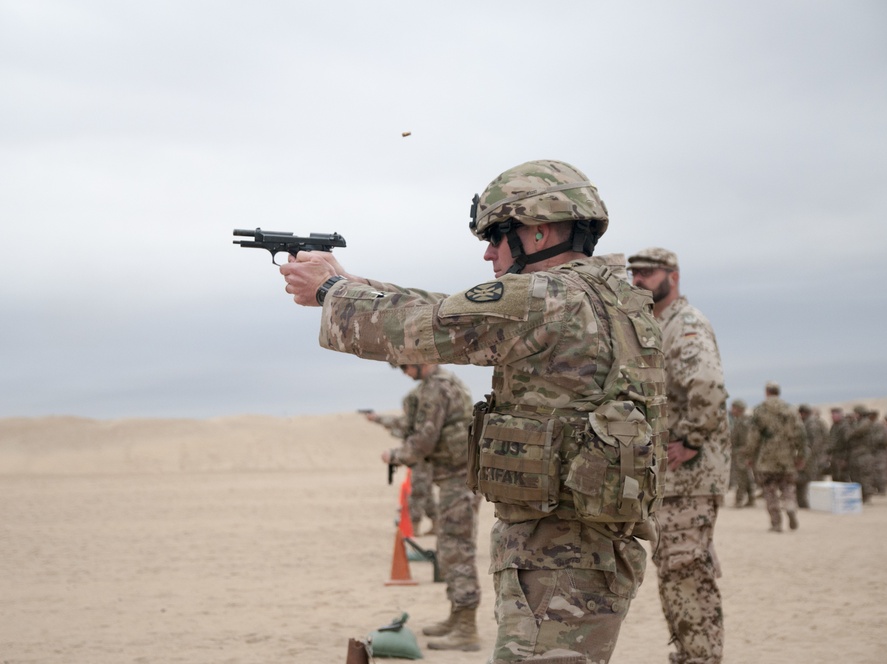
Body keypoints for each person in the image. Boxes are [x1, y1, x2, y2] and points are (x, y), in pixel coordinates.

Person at [280, 159, 668, 664]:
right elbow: (457, 309)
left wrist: (332, 292)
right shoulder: (614, 298)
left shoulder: (543, 297)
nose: (488, 253)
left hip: (558, 552)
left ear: (539, 231)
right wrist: (352, 282)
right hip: (592, 544)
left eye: (496, 237)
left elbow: (419, 328)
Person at [628, 247, 730, 664]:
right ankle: (690, 654)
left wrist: (689, 441)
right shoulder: (658, 324)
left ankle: (701, 657)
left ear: (673, 276)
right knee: (675, 569)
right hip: (674, 478)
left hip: (692, 475)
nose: (639, 280)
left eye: (649, 273)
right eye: (634, 273)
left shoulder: (685, 325)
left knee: (686, 570)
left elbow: (706, 383)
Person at [375, 362, 481, 650]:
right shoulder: (443, 383)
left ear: (422, 358)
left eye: (406, 366)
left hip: (459, 479)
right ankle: (456, 617)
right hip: (455, 478)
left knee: (457, 551)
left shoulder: (436, 387)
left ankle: (467, 628)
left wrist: (395, 455)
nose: (406, 373)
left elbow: (424, 440)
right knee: (449, 549)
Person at [363, 368, 439, 536]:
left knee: (418, 492)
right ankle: (435, 523)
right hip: (420, 457)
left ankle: (415, 528)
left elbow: (403, 426)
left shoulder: (421, 421)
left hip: (422, 458)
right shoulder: (418, 419)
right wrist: (377, 419)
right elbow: (400, 424)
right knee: (425, 493)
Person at [746, 382, 807, 532]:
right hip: (787, 457)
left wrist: (750, 455)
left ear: (767, 392)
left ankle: (776, 523)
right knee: (788, 487)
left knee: (769, 489)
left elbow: (753, 436)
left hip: (767, 458)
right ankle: (790, 506)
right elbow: (801, 434)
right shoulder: (790, 410)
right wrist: (801, 456)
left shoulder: (760, 410)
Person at [797, 404, 829, 508]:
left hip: (814, 457)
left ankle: (810, 503)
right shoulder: (811, 422)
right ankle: (804, 502)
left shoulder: (812, 424)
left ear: (803, 413)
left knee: (811, 479)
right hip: (814, 456)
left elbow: (815, 443)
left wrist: (807, 457)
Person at [728, 399, 756, 508]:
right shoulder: (742, 420)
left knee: (742, 477)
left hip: (742, 453)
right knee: (747, 476)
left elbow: (746, 440)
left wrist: (739, 451)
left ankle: (739, 500)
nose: (732, 410)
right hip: (742, 452)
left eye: (733, 407)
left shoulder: (743, 422)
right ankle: (751, 499)